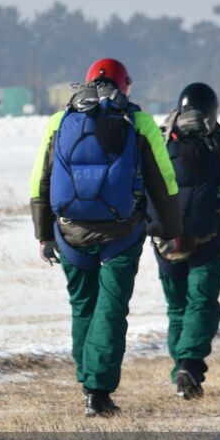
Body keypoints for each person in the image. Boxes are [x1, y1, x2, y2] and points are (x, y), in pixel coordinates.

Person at [30, 58, 180, 417]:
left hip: (69, 232)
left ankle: (88, 381)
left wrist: (43, 234)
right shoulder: (137, 121)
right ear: (124, 86)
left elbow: (41, 179)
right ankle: (97, 391)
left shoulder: (60, 119)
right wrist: (169, 230)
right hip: (122, 233)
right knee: (110, 311)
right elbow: (164, 181)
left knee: (83, 307)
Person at [149, 82, 220, 399]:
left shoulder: (159, 139)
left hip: (165, 244)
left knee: (177, 307)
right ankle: (189, 364)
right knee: (202, 303)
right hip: (209, 242)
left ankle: (181, 368)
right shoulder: (219, 145)